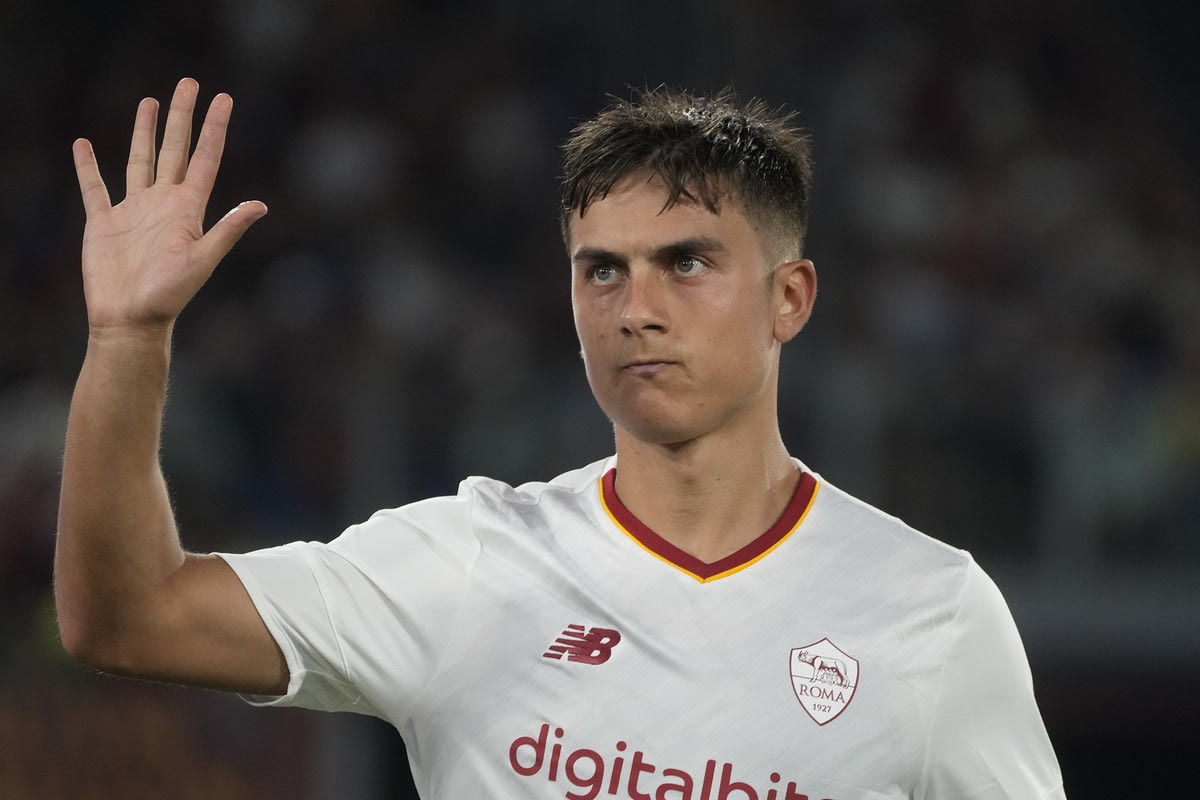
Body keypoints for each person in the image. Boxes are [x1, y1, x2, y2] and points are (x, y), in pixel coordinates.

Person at [56, 77, 1066, 799]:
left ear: (789, 298)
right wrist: (127, 340)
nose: (637, 309)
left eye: (687, 263)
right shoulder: (469, 566)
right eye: (603, 270)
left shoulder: (931, 614)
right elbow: (127, 619)